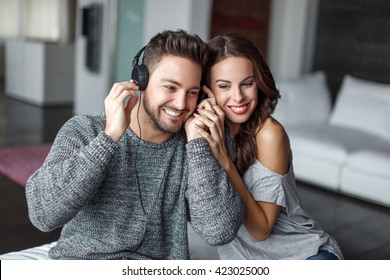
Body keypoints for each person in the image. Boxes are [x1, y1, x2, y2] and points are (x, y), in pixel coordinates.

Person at [23, 30, 244, 260]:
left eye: (192, 92)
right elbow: (42, 214)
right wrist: (109, 138)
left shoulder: (195, 148)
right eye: (170, 87)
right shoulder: (85, 130)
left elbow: (219, 232)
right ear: (140, 81)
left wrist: (198, 142)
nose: (181, 103)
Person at [193, 33, 344, 260]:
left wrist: (225, 160)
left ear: (259, 83)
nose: (238, 97)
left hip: (304, 255)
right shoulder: (199, 133)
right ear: (206, 90)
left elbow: (261, 230)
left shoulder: (269, 134)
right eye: (224, 86)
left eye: (247, 83)